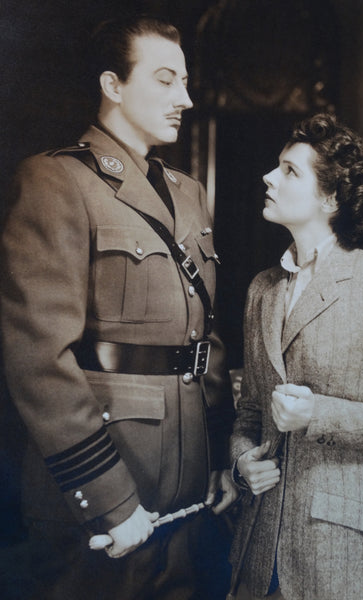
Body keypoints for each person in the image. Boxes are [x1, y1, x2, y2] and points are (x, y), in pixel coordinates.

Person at [0, 15, 237, 600]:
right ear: (113, 85)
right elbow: (39, 360)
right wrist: (107, 498)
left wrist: (217, 456)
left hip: (187, 482)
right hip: (109, 482)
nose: (184, 98)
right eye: (164, 80)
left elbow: (202, 338)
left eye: (184, 81)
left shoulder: (189, 192)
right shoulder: (57, 181)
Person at [229, 113, 363, 600]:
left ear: (330, 198)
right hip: (261, 550)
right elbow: (250, 411)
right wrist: (243, 460)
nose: (269, 177)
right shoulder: (262, 289)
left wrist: (318, 413)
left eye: (289, 170)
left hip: (348, 550)